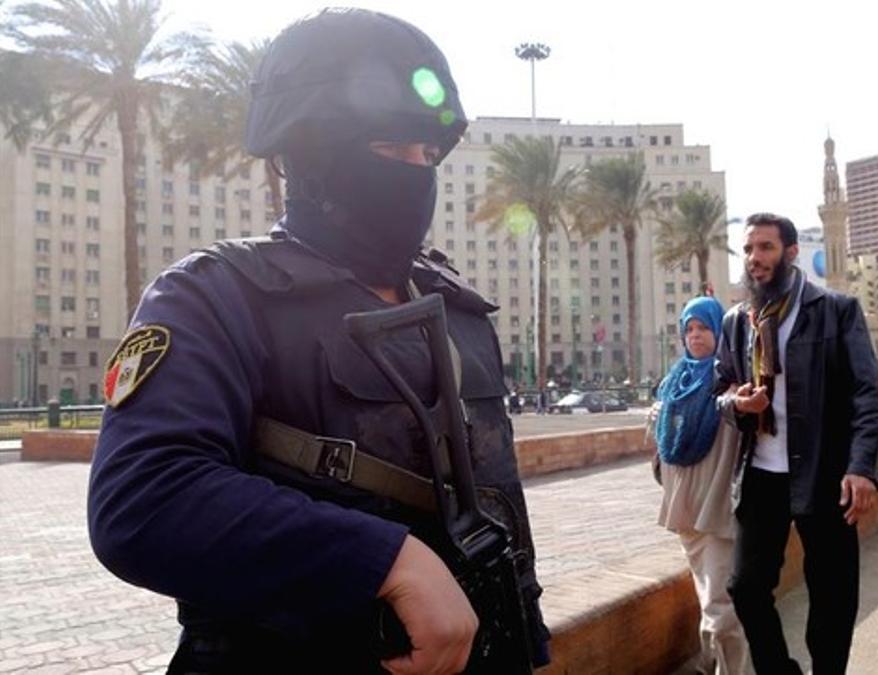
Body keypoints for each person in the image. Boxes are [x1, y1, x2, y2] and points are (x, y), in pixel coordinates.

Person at [87, 9, 548, 673]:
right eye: (389, 148)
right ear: (308, 151)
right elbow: (143, 496)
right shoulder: (215, 297)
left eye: (427, 153)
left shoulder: (457, 310)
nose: (415, 173)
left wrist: (524, 645)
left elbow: (499, 514)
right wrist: (383, 559)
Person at [716, 213, 878, 675]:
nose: (755, 259)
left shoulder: (836, 310)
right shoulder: (738, 322)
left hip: (825, 472)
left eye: (765, 248)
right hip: (761, 473)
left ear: (791, 253)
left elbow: (864, 393)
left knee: (831, 591)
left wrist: (862, 467)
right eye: (749, 249)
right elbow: (721, 387)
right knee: (745, 587)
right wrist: (738, 402)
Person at [652, 296, 749, 675]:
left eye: (704, 328)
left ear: (719, 332)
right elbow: (662, 443)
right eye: (689, 329)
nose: (695, 336)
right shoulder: (673, 384)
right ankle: (712, 665)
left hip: (718, 508)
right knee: (708, 599)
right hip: (686, 510)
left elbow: (741, 417)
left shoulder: (731, 381)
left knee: (720, 609)